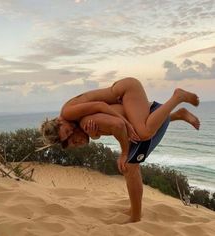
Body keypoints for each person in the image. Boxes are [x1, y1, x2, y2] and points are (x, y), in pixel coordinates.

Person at [40, 78, 200, 222]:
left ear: (59, 121)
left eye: (67, 132)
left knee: (142, 133)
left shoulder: (67, 113)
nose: (70, 133)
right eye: (67, 137)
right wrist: (95, 134)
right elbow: (102, 122)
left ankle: (177, 97)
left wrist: (124, 147)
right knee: (140, 127)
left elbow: (102, 108)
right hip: (122, 95)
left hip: (126, 89)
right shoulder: (77, 122)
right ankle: (177, 115)